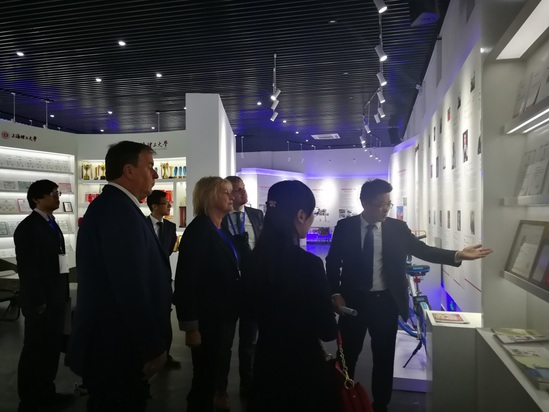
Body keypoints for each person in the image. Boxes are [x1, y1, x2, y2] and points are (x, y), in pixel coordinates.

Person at [326, 179, 492, 412]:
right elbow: (333, 262)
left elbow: (423, 250)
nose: (385, 209)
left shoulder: (397, 229)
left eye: (388, 204)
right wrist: (335, 292)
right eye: (381, 205)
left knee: (384, 358)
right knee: (347, 356)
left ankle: (380, 406)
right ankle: (343, 402)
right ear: (364, 203)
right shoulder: (345, 227)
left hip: (385, 303)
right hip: (353, 304)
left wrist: (457, 255)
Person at [67, 141, 172, 412]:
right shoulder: (117, 212)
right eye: (149, 166)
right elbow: (129, 287)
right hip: (115, 346)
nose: (155, 174)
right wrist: (151, 347)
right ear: (129, 170)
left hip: (116, 342)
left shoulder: (118, 207)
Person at [245, 180, 337, 412]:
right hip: (304, 370)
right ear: (300, 215)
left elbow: (249, 311)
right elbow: (327, 331)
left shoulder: (253, 261)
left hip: (266, 366)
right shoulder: (309, 265)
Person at [173, 176, 241, 412]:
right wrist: (191, 327)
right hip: (208, 318)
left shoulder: (220, 229)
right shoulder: (199, 231)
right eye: (226, 192)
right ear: (210, 196)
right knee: (204, 376)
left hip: (223, 315)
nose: (232, 196)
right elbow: (187, 281)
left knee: (215, 369)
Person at [14, 180, 72, 412]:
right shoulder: (29, 227)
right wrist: (38, 301)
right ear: (36, 199)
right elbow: (28, 269)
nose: (57, 197)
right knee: (35, 349)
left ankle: (46, 392)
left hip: (55, 297)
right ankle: (30, 398)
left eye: (58, 193)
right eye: (52, 193)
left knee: (50, 348)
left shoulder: (51, 223)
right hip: (41, 301)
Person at [221, 176, 264, 398]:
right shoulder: (218, 217)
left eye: (243, 188)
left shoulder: (256, 215)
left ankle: (248, 385)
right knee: (224, 342)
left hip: (252, 287)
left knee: (249, 341)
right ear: (229, 193)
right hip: (227, 288)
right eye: (238, 190)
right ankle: (220, 388)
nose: (243, 192)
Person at [146, 189, 180, 369]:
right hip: (146, 277)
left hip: (164, 278)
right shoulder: (142, 224)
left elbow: (167, 250)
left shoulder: (170, 227)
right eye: (165, 203)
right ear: (154, 206)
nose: (169, 206)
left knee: (165, 318)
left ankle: (165, 355)